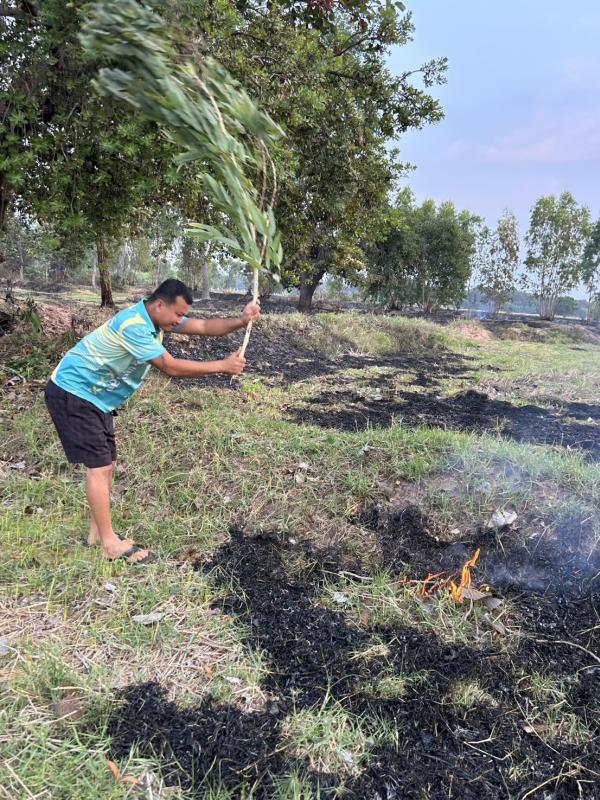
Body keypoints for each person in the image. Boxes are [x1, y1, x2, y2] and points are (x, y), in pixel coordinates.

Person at [44, 278, 259, 565]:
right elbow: (170, 367)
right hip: (74, 391)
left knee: (108, 464)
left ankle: (97, 533)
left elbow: (206, 327)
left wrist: (242, 320)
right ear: (159, 305)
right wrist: (221, 366)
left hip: (97, 397)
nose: (180, 321)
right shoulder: (133, 325)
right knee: (99, 467)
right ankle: (109, 544)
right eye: (178, 314)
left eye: (183, 315)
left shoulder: (157, 320)